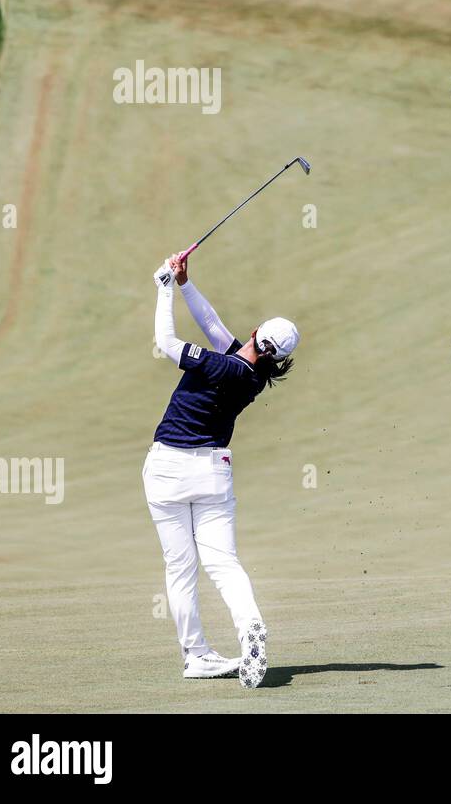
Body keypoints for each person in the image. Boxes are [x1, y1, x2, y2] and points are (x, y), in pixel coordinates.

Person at [148, 254, 299, 688]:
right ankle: (249, 624)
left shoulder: (220, 364)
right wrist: (184, 283)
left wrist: (163, 287)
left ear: (255, 332)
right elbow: (212, 325)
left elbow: (166, 341)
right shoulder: (251, 375)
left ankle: (195, 654)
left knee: (180, 569)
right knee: (223, 562)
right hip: (213, 473)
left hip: (167, 469)